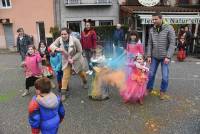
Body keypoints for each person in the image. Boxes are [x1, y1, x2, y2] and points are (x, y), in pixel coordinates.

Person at [50, 27, 87, 101]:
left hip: (76, 60)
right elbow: (51, 46)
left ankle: (85, 81)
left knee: (81, 73)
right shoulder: (59, 39)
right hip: (66, 60)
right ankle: (63, 93)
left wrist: (73, 59)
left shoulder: (75, 40)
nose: (63, 36)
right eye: (62, 34)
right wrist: (58, 49)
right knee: (65, 76)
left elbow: (80, 52)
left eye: (65, 34)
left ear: (68, 34)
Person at [146, 12, 176, 100]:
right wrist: (148, 56)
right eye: (153, 19)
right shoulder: (152, 30)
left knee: (165, 76)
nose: (154, 21)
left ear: (161, 18)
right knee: (151, 74)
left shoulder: (169, 28)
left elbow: (172, 43)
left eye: (156, 19)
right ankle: (149, 88)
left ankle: (162, 91)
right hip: (154, 56)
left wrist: (168, 56)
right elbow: (150, 43)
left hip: (165, 57)